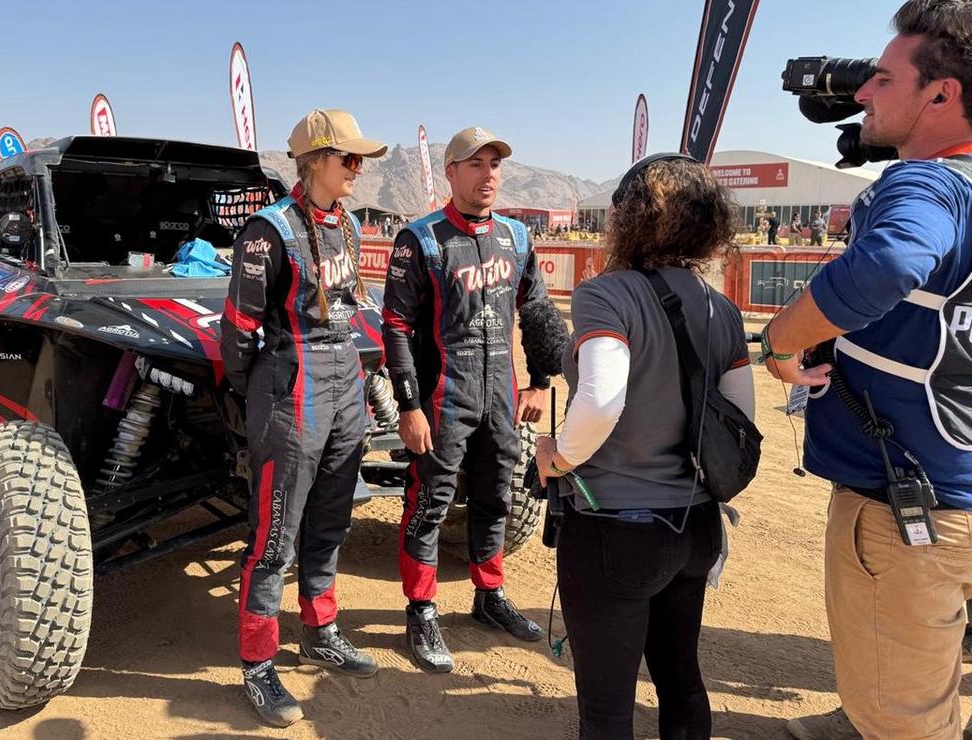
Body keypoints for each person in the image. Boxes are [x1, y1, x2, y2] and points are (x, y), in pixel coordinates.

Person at [762, 3, 972, 737]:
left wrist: (782, 342)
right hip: (953, 488)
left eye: (883, 79)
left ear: (942, 96)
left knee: (906, 724)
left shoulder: (930, 183)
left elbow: (888, 261)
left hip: (912, 509)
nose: (860, 94)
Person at [533, 153, 753, 739]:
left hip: (616, 531)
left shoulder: (608, 295)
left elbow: (602, 400)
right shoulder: (723, 309)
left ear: (629, 219)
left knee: (607, 710)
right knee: (682, 681)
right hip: (697, 527)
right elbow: (741, 423)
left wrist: (558, 456)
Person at [220, 109, 387, 728]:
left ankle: (320, 629)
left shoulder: (344, 222)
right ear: (315, 160)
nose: (358, 167)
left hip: (346, 383)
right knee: (274, 539)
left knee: (330, 521)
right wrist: (260, 392)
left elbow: (347, 306)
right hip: (293, 388)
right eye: (349, 158)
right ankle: (258, 664)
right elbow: (238, 332)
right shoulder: (266, 233)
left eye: (359, 158)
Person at [381, 126, 564, 673]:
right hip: (443, 397)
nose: (488, 174)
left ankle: (489, 596)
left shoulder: (516, 236)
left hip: (502, 396)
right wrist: (409, 407)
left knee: (496, 498)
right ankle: (422, 608)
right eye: (475, 164)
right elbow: (394, 326)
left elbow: (535, 310)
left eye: (495, 164)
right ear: (451, 173)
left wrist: (540, 378)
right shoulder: (421, 239)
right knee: (430, 503)